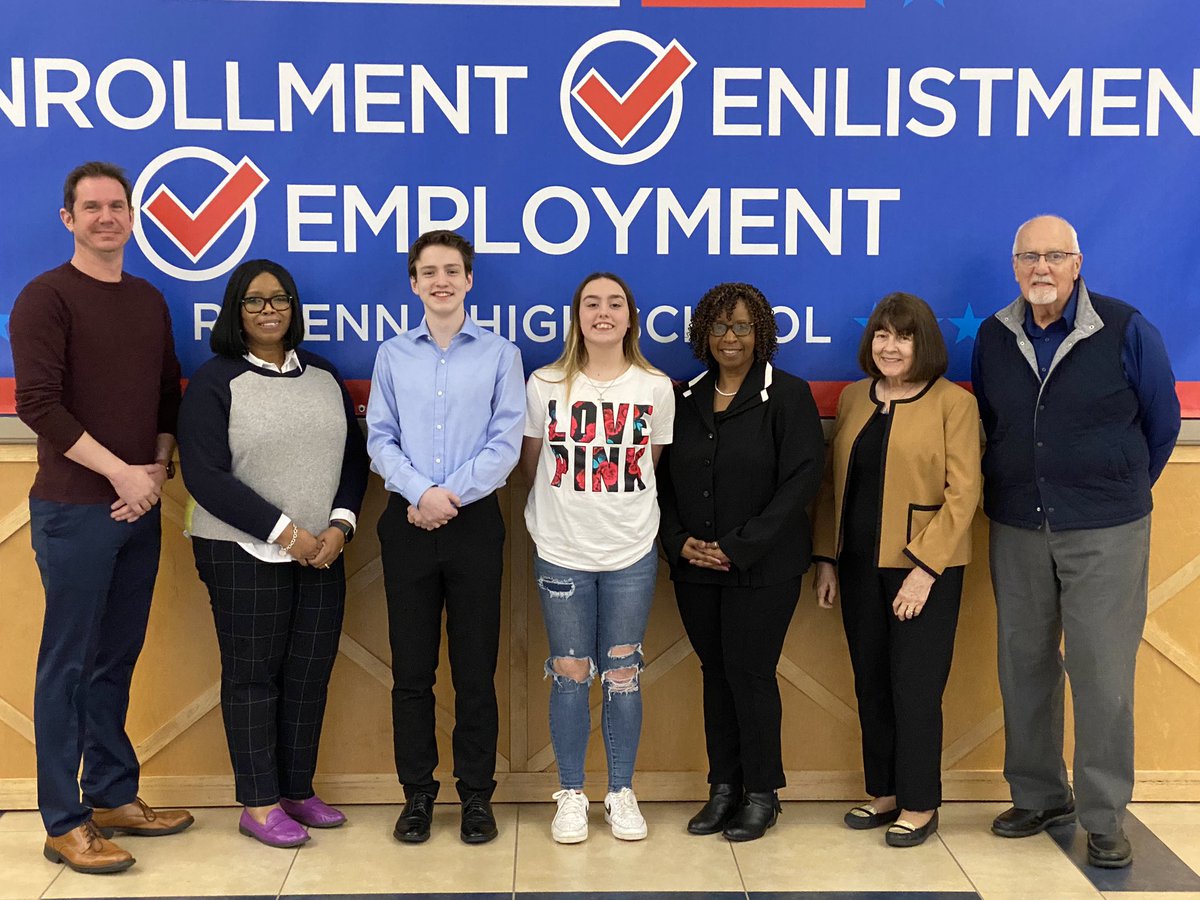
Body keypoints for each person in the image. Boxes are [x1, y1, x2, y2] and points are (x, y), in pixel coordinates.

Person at [972, 215, 1180, 868]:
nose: (1042, 267)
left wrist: (1111, 489)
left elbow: (1163, 424)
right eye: (1030, 256)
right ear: (1014, 267)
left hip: (1106, 532)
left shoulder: (1125, 328)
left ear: (1077, 263)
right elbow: (993, 423)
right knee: (1023, 665)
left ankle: (1104, 816)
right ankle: (1039, 796)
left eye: (1055, 256)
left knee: (1101, 673)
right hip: (1018, 526)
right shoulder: (993, 336)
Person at [10, 161, 192, 875]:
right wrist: (121, 473)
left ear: (132, 217)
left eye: (118, 206)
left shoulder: (148, 300)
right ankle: (64, 821)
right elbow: (39, 404)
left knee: (115, 658)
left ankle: (113, 796)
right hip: (74, 510)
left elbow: (166, 393)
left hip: (138, 506)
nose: (107, 217)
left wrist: (157, 465)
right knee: (68, 666)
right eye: (92, 207)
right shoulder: (45, 297)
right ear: (69, 218)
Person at [178, 259, 368, 848]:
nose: (269, 310)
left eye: (280, 299)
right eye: (255, 300)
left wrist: (340, 526)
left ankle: (296, 791)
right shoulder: (215, 381)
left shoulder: (324, 375)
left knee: (309, 675)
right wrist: (287, 533)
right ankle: (259, 804)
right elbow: (206, 476)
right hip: (239, 550)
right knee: (253, 677)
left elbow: (353, 459)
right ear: (236, 310)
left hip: (322, 552)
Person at [367, 230, 524, 845]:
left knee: (475, 671)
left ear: (469, 280)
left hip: (474, 522)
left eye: (452, 270)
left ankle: (476, 796)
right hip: (406, 522)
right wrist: (419, 493)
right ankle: (418, 795)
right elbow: (380, 438)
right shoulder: (391, 355)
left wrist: (445, 496)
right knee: (412, 671)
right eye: (429, 271)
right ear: (413, 283)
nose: (441, 281)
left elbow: (505, 442)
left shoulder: (500, 354)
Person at [813, 292, 981, 848]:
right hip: (858, 566)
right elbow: (833, 485)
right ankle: (883, 792)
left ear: (923, 343)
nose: (890, 346)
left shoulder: (954, 404)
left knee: (915, 688)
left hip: (923, 573)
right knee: (872, 683)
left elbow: (964, 495)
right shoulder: (856, 397)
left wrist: (924, 570)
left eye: (903, 336)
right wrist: (827, 558)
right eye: (882, 334)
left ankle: (919, 802)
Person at [657, 283, 824, 841]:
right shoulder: (684, 397)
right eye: (720, 326)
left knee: (750, 675)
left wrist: (741, 545)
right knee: (715, 675)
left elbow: (801, 481)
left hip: (763, 567)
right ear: (703, 333)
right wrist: (677, 540)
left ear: (761, 334)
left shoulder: (789, 394)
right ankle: (723, 788)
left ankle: (761, 793)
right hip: (695, 567)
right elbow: (661, 481)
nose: (731, 337)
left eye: (743, 327)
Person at [519, 272, 675, 844]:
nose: (603, 313)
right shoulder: (544, 384)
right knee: (570, 673)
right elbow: (531, 464)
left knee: (623, 674)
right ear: (576, 316)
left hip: (630, 551)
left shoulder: (655, 387)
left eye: (614, 304)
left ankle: (620, 792)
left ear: (630, 317)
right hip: (561, 551)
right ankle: (570, 793)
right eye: (591, 304)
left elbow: (650, 462)